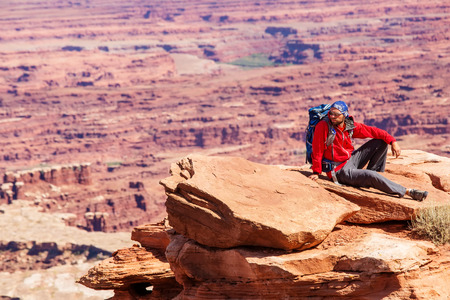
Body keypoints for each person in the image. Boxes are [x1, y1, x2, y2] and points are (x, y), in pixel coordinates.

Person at [308, 101, 428, 201]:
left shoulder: (348, 125)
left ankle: (375, 177)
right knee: (370, 176)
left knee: (380, 142)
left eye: (336, 114)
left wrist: (392, 141)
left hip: (350, 160)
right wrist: (316, 172)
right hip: (338, 170)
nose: (332, 116)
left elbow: (371, 131)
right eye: (331, 113)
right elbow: (317, 149)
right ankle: (407, 191)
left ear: (344, 115)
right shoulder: (324, 126)